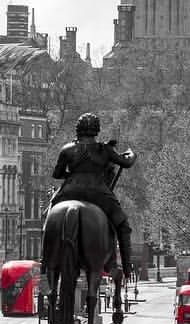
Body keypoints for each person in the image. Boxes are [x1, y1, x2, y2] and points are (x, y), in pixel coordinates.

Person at [50, 112, 137, 279]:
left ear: (78, 129)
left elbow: (57, 174)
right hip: (98, 193)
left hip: (69, 191)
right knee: (123, 225)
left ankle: (45, 258)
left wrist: (72, 174)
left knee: (49, 217)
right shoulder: (105, 149)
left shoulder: (67, 149)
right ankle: (126, 267)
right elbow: (126, 163)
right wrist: (131, 153)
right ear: (97, 130)